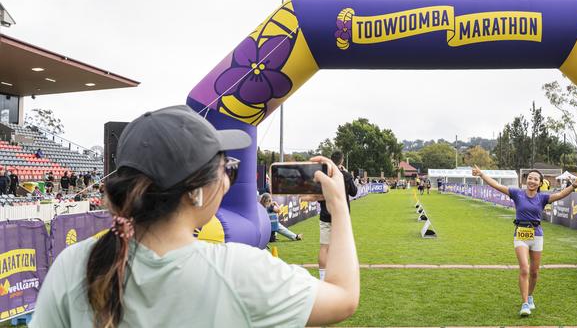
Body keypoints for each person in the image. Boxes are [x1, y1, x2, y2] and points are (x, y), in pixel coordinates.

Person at [31, 105, 359, 327]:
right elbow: (343, 297)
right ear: (195, 191)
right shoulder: (240, 271)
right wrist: (339, 205)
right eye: (226, 168)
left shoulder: (73, 265)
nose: (229, 178)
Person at [472, 165, 577, 317]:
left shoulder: (542, 198)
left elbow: (561, 194)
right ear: (526, 180)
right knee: (524, 268)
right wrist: (482, 174)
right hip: (520, 234)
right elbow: (497, 185)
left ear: (540, 183)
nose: (532, 181)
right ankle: (524, 304)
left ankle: (530, 296)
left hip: (537, 235)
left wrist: (573, 186)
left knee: (534, 272)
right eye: (530, 178)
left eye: (535, 179)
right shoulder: (517, 193)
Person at [318, 150, 357, 282]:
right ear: (341, 161)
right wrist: (348, 175)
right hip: (340, 216)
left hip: (325, 214)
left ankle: (322, 277)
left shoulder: (324, 176)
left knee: (324, 246)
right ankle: (341, 274)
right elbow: (354, 192)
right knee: (342, 245)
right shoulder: (344, 175)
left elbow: (318, 197)